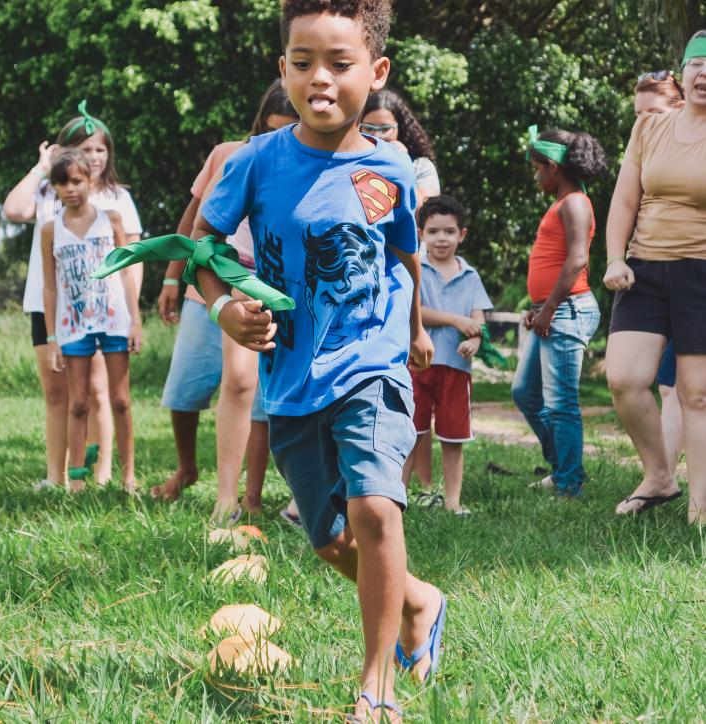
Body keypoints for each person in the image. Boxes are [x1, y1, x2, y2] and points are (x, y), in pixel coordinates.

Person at [192, 1, 446, 718]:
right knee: (329, 539)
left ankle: (377, 684)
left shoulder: (391, 163)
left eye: (340, 63)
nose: (321, 79)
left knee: (373, 506)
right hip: (293, 376)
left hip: (372, 361)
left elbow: (406, 254)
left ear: (377, 71)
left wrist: (417, 329)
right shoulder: (255, 163)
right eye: (303, 63)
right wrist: (224, 308)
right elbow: (201, 250)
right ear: (284, 70)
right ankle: (419, 600)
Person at [152, 81, 299, 528]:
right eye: (271, 130)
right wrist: (172, 277)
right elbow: (196, 221)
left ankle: (242, 498)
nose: (279, 140)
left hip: (267, 284)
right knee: (189, 388)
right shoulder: (233, 155)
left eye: (288, 130)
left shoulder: (310, 164)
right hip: (215, 277)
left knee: (247, 389)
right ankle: (198, 476)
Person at [3, 102, 143, 488]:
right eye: (83, 148)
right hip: (48, 307)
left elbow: (133, 259)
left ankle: (101, 474)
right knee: (56, 392)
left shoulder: (117, 200)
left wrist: (131, 316)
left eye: (100, 149)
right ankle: (56, 475)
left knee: (98, 392)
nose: (93, 157)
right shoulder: (52, 191)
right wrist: (41, 167)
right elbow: (14, 210)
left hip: (102, 310)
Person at [604, 31, 706, 523]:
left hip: (701, 272)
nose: (704, 73)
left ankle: (700, 509)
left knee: (696, 393)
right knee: (624, 377)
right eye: (696, 64)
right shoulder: (650, 129)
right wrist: (614, 258)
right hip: (644, 266)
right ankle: (660, 476)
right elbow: (625, 199)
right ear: (682, 73)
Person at [511, 126, 605, 497]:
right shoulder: (562, 204)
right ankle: (565, 468)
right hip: (552, 310)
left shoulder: (576, 203)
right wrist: (538, 309)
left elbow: (578, 260)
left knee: (562, 402)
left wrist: (548, 309)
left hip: (566, 310)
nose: (535, 177)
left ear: (553, 166)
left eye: (537, 168)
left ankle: (569, 482)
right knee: (524, 392)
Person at [41, 150, 141, 493]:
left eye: (76, 181)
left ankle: (128, 476)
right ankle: (77, 481)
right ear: (54, 187)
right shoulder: (50, 230)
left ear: (89, 180)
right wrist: (52, 337)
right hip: (73, 325)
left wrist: (135, 321)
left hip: (113, 319)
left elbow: (126, 273)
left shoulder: (111, 219)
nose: (70, 189)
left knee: (120, 400)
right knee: (79, 402)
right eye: (61, 183)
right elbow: (50, 285)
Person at [361, 89, 441, 488]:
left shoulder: (416, 166)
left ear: (401, 129)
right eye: (368, 127)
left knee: (407, 383)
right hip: (363, 276)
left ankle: (407, 479)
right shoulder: (353, 160)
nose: (378, 133)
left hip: (405, 275)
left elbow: (415, 213)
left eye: (385, 128)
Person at [402, 195, 492, 515]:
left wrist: (476, 341)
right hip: (417, 365)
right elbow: (415, 312)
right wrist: (456, 320)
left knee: (454, 437)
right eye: (434, 231)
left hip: (456, 367)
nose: (442, 238)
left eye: (450, 232)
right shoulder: (415, 268)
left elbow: (477, 321)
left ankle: (453, 501)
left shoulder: (470, 275)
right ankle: (397, 497)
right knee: (410, 433)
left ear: (462, 235)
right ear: (421, 233)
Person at [633, 71, 686, 480]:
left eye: (653, 112)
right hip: (666, 280)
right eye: (638, 114)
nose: (643, 121)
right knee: (670, 386)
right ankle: (662, 477)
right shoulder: (647, 159)